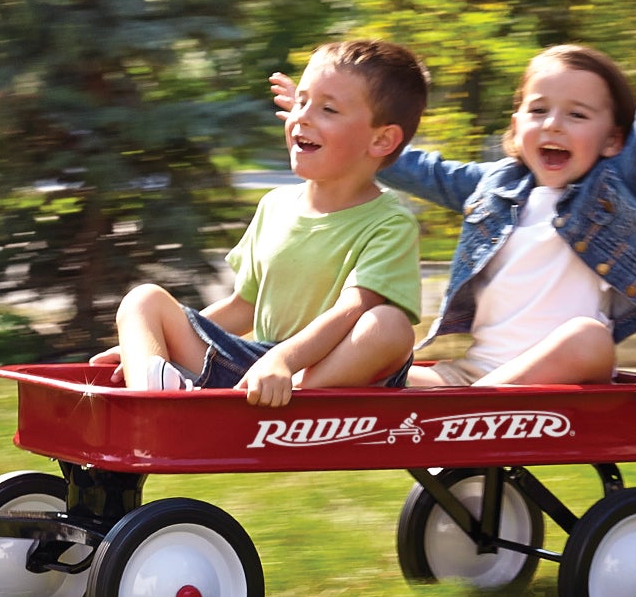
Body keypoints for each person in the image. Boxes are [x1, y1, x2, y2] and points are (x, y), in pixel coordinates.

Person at [270, 0, 636, 386]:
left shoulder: (613, 190)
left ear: (612, 141)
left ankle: (474, 411)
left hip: (558, 367)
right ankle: (278, 382)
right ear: (516, 124)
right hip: (471, 374)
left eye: (577, 115)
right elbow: (424, 170)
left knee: (590, 336)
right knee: (375, 357)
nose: (553, 125)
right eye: (538, 110)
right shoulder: (496, 188)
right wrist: (341, 128)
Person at [90, 39, 427, 407]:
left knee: (389, 326)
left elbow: (353, 310)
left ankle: (287, 399)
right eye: (301, 102)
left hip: (328, 372)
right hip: (256, 368)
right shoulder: (275, 206)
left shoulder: (389, 222)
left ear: (381, 140)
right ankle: (155, 400)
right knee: (143, 301)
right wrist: (153, 345)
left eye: (328, 108)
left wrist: (283, 362)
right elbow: (243, 307)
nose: (303, 116)